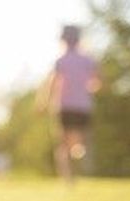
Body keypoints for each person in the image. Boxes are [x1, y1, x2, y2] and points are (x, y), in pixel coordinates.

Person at [37, 25, 101, 185]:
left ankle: (69, 178)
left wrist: (43, 102)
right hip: (83, 106)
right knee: (81, 141)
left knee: (63, 144)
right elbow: (97, 82)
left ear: (64, 40)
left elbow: (52, 84)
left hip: (64, 107)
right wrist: (89, 87)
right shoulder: (88, 60)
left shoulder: (61, 61)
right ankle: (79, 153)